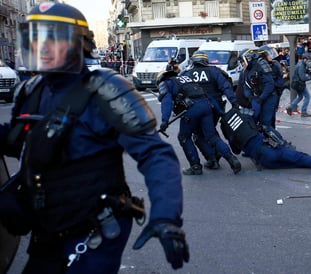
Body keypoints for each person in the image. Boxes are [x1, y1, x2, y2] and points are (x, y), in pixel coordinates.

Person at [0, 2, 189, 273]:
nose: (42, 47)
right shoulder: (30, 90)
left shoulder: (106, 89)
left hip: (94, 231)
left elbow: (156, 155)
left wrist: (167, 215)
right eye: (35, 38)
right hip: (47, 230)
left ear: (79, 45)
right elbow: (20, 142)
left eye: (52, 39)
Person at [157, 61, 241, 175]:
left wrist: (164, 121)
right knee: (210, 136)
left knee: (184, 137)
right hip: (206, 107)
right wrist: (220, 112)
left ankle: (195, 166)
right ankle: (231, 159)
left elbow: (167, 102)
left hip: (192, 109)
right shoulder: (186, 79)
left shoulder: (167, 83)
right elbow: (206, 95)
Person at [220, 108, 311, 174]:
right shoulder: (239, 114)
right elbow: (259, 124)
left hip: (264, 161)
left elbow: (236, 151)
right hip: (270, 149)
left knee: (297, 163)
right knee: (300, 158)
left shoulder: (227, 130)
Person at [183, 50, 239, 170]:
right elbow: (226, 87)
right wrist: (234, 103)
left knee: (199, 135)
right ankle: (223, 156)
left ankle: (212, 158)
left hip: (196, 108)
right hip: (215, 108)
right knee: (211, 133)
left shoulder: (187, 73)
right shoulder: (214, 71)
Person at [237, 47, 276, 131]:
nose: (242, 64)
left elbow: (270, 84)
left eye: (242, 61)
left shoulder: (261, 64)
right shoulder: (245, 71)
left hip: (268, 97)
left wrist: (261, 98)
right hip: (256, 98)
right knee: (255, 121)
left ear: (248, 58)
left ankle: (278, 142)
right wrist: (250, 97)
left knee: (266, 123)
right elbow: (245, 85)